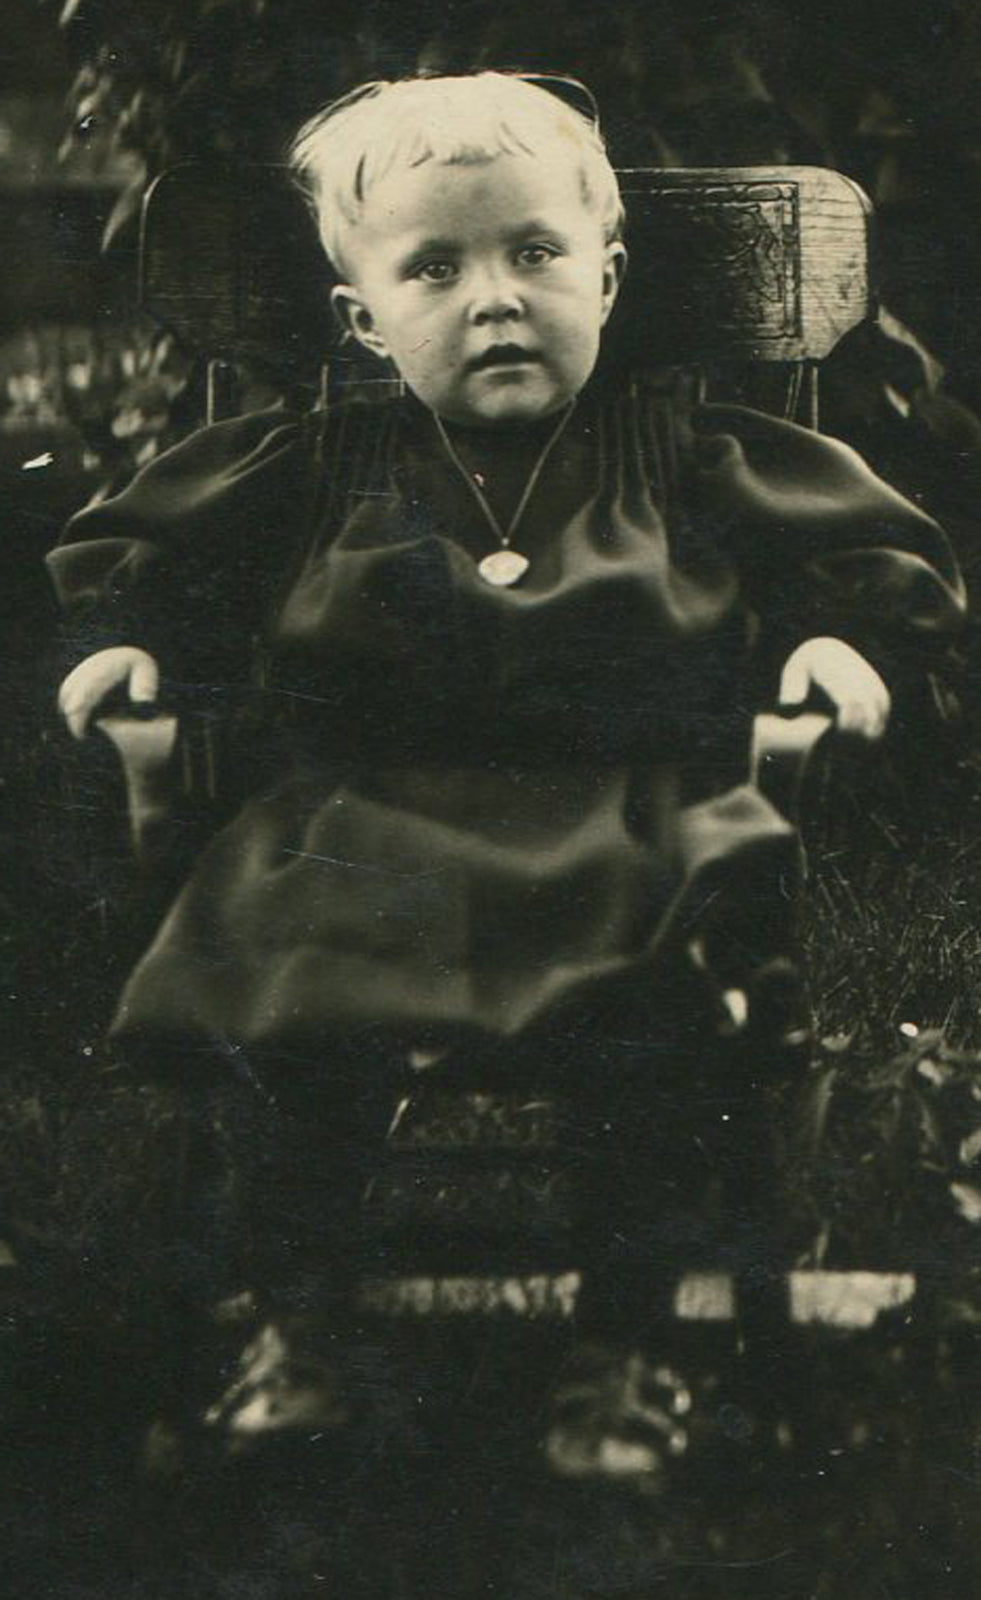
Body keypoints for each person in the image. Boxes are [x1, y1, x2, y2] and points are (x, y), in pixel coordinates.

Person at [47, 72, 964, 1476]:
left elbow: (853, 547)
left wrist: (839, 637)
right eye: (435, 268)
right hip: (353, 831)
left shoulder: (677, 452)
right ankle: (301, 1323)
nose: (495, 301)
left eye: (535, 252)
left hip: (632, 822)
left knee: (660, 1022)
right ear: (363, 319)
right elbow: (159, 552)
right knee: (288, 1009)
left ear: (606, 275)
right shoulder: (319, 458)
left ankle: (621, 1344)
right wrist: (128, 640)